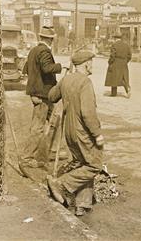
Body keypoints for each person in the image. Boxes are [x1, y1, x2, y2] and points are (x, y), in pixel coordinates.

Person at [47, 50, 104, 217]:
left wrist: (64, 82)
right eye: (91, 62)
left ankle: (82, 205)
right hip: (83, 132)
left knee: (83, 164)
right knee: (94, 165)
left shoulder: (67, 79)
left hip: (69, 131)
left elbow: (51, 96)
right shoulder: (85, 82)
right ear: (86, 64)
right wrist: (97, 133)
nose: (92, 65)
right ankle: (62, 184)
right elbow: (88, 113)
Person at [20, 26, 66, 170]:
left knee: (55, 122)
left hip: (41, 94)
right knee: (38, 128)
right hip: (43, 95)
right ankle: (26, 157)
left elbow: (26, 69)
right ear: (50, 40)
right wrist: (60, 66)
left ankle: (47, 152)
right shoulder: (45, 51)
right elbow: (47, 68)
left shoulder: (33, 50)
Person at [104, 33, 132, 98]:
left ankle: (113, 93)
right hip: (124, 63)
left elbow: (112, 55)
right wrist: (125, 61)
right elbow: (129, 56)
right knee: (123, 77)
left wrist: (110, 62)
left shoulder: (114, 45)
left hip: (115, 63)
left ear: (116, 38)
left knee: (114, 77)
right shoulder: (126, 45)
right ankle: (127, 89)